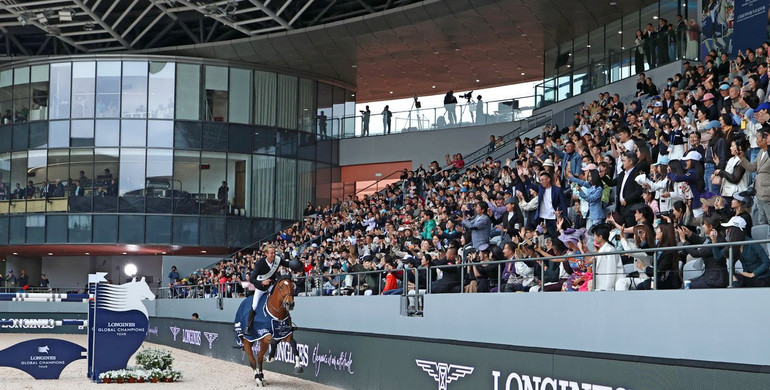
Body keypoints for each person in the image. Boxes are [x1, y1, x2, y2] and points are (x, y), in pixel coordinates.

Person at [712, 216, 770, 287]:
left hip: (762, 278)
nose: (727, 231)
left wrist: (753, 274)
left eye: (729, 228)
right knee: (732, 278)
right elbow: (718, 257)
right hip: (747, 277)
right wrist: (714, 241)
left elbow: (766, 262)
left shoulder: (752, 243)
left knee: (735, 279)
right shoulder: (734, 245)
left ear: (735, 230)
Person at [246, 245, 291, 334]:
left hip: (271, 285)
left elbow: (287, 264)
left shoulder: (277, 260)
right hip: (260, 288)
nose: (273, 255)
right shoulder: (260, 263)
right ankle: (248, 326)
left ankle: (287, 323)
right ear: (266, 254)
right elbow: (252, 279)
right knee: (254, 306)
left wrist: (296, 264)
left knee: (282, 299)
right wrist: (262, 283)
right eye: (271, 253)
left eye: (274, 253)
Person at [589, 224, 623, 291]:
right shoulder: (602, 249)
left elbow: (611, 270)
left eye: (595, 235)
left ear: (600, 237)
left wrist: (609, 288)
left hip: (609, 287)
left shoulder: (610, 250)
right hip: (601, 285)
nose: (594, 237)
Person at [534, 171, 567, 237]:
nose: (541, 182)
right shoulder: (541, 189)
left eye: (543, 180)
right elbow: (531, 185)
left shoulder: (558, 190)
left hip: (555, 216)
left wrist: (564, 215)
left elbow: (563, 203)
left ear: (548, 179)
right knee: (549, 236)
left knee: (558, 236)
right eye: (540, 180)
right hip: (546, 217)